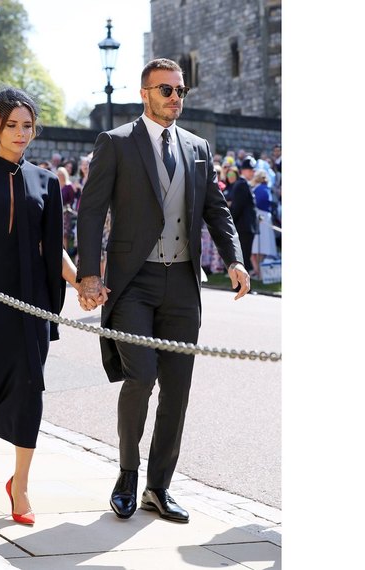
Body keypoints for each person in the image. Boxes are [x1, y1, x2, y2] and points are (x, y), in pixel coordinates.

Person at [76, 58, 249, 524]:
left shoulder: (198, 147)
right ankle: (127, 475)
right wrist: (88, 274)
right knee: (141, 376)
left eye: (180, 90)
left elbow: (217, 209)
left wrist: (234, 259)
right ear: (145, 93)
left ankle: (158, 487)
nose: (176, 98)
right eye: (166, 90)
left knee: (177, 389)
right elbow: (91, 211)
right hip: (133, 282)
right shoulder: (115, 142)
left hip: (183, 286)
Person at [0, 87, 80, 526]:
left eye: (28, 126)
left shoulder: (47, 182)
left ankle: (20, 484)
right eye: (12, 125)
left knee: (30, 388)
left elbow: (53, 247)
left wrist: (81, 282)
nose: (21, 133)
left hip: (32, 304)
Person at [230, 155, 259, 274]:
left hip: (246, 227)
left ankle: (243, 283)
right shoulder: (241, 184)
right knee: (243, 258)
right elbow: (237, 207)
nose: (253, 172)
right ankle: (241, 283)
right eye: (251, 170)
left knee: (245, 256)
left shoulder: (244, 184)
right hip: (243, 227)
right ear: (244, 170)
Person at [250, 169, 278, 278]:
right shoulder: (265, 188)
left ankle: (259, 273)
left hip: (261, 219)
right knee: (260, 248)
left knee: (259, 248)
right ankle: (259, 272)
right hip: (264, 218)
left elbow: (259, 203)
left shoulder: (260, 189)